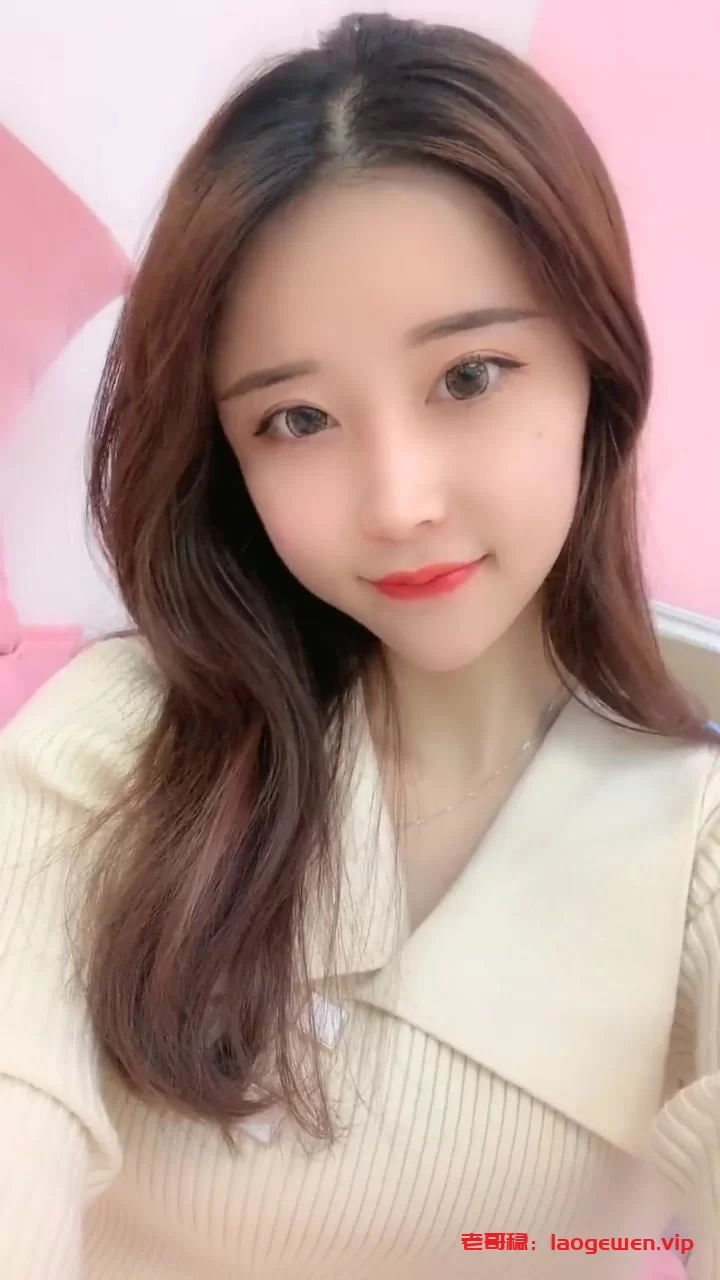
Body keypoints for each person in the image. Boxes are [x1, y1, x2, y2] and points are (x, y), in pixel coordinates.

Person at [0, 11, 718, 1279]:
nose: (397, 501)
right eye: (298, 417)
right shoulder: (120, 746)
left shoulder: (690, 840)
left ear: (595, 368)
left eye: (469, 376)